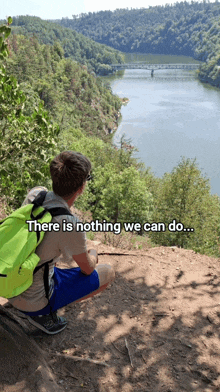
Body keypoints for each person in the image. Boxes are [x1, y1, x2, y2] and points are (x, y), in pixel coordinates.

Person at [8, 151, 115, 334]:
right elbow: (87, 269)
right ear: (81, 187)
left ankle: (37, 305)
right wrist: (93, 254)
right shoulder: (69, 224)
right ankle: (44, 314)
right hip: (33, 300)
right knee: (108, 272)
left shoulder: (36, 194)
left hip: (10, 282)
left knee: (50, 263)